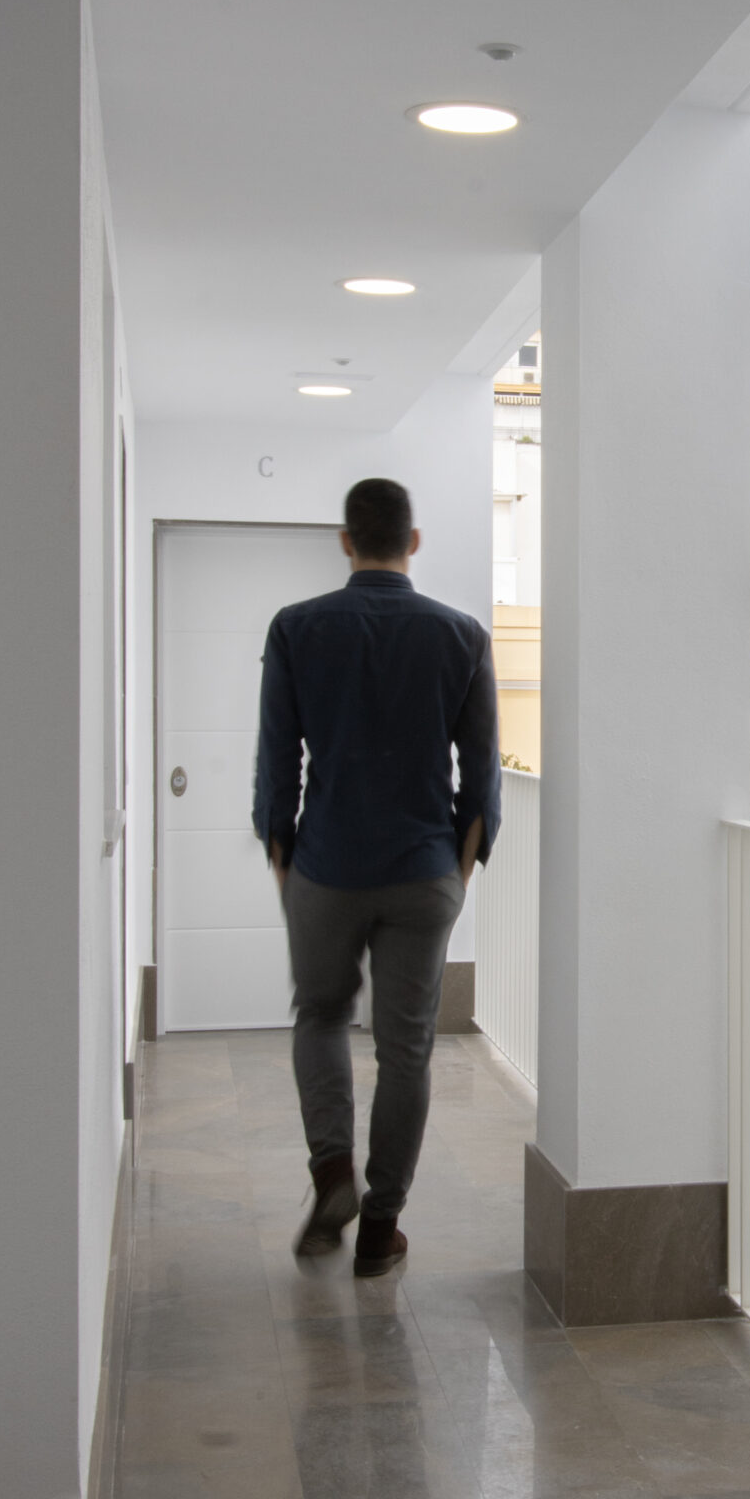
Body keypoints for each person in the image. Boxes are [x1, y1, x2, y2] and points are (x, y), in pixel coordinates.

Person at [253, 477, 501, 1276]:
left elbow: (278, 763)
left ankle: (334, 1174)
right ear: (413, 542)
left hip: (326, 867)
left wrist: (283, 857)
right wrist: (458, 876)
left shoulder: (296, 628)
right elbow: (482, 777)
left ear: (346, 541)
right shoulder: (461, 635)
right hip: (423, 871)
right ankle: (379, 1229)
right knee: (407, 1051)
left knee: (321, 1017)